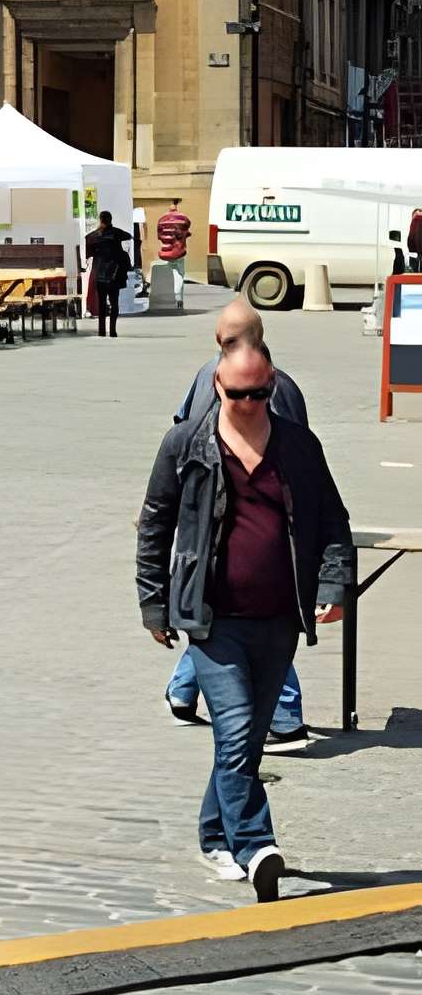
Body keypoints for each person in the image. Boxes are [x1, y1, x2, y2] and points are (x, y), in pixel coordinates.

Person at [137, 339, 354, 899]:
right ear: (217, 387)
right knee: (234, 733)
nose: (250, 403)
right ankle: (258, 846)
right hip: (212, 619)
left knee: (249, 741)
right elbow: (155, 524)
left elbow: (333, 521)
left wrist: (334, 587)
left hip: (280, 618)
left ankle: (215, 835)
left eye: (260, 393)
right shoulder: (186, 443)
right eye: (239, 394)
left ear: (272, 384)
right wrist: (154, 603)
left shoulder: (298, 446)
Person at [165, 300, 310, 745]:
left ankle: (185, 690)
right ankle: (283, 714)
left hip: (243, 534)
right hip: (224, 534)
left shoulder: (240, 381)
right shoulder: (268, 383)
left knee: (229, 619)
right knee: (234, 621)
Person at [88, 210, 133, 337]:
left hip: (99, 274)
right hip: (114, 273)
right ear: (110, 220)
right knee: (114, 303)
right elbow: (129, 236)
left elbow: (89, 246)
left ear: (100, 220)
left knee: (101, 304)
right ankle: (113, 331)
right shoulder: (117, 233)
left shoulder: (95, 235)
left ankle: (101, 331)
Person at [157, 200, 193, 309]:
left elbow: (159, 236)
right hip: (179, 252)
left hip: (166, 251)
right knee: (179, 274)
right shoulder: (183, 218)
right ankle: (178, 297)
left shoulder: (161, 220)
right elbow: (187, 229)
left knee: (173, 272)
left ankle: (178, 299)